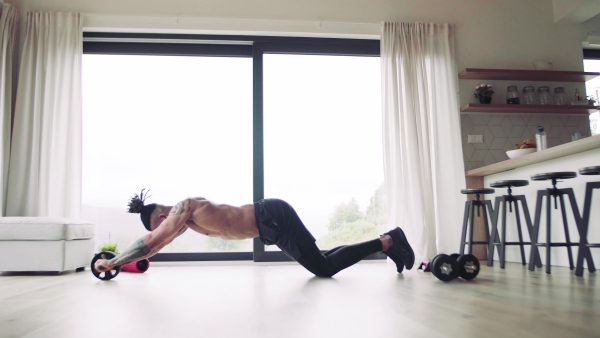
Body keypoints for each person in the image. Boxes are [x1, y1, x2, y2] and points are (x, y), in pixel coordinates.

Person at [94, 189, 415, 277]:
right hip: (270, 225)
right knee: (321, 261)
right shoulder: (182, 221)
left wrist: (113, 261)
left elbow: (150, 240)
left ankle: (388, 241)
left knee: (323, 269)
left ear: (163, 215)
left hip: (271, 216)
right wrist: (120, 263)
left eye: (159, 224)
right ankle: (389, 242)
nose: (162, 230)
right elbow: (154, 247)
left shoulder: (185, 206)